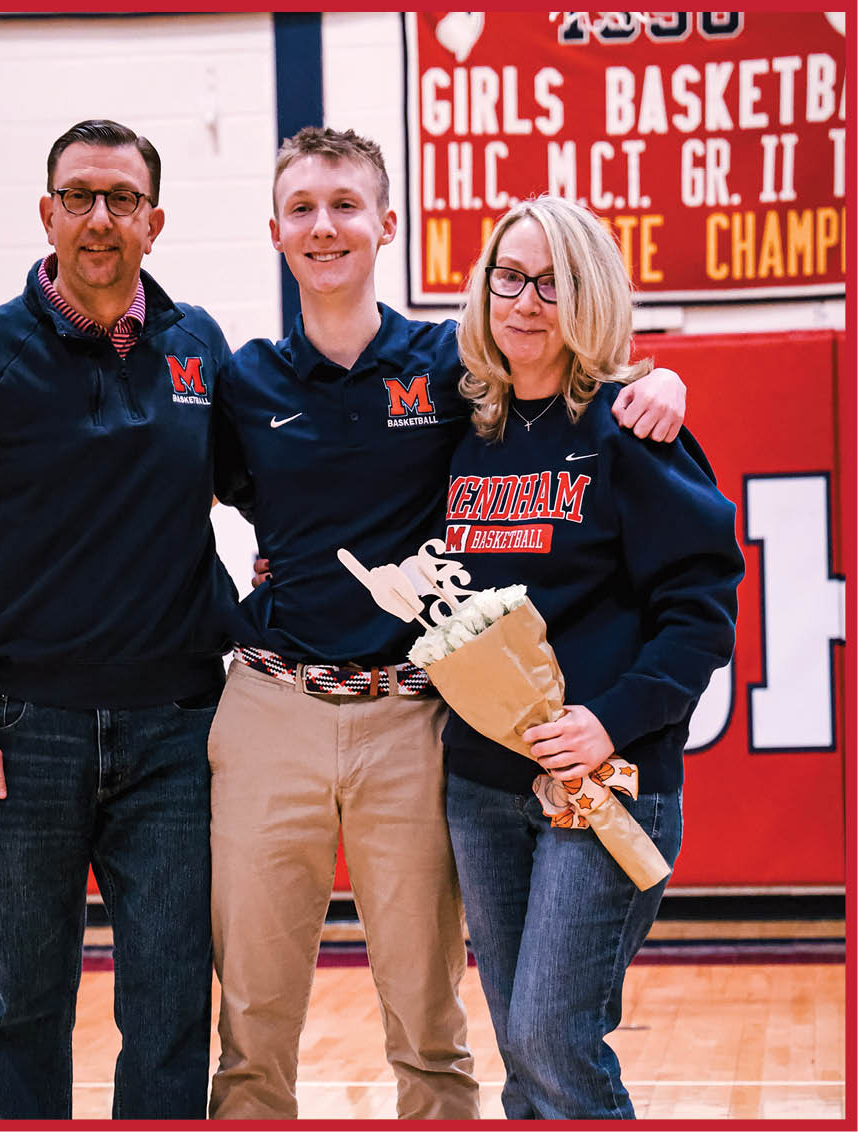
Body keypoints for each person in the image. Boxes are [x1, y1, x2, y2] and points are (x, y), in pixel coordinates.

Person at [208, 126, 688, 1121]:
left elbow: (578, 388)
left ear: (388, 223)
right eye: (302, 207)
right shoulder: (241, 381)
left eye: (346, 204)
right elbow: (170, 505)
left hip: (413, 717)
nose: (324, 225)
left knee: (438, 1022)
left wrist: (663, 380)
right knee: (251, 1022)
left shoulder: (454, 364)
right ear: (274, 230)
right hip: (271, 706)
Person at [0, 120, 236, 1120]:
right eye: (79, 196)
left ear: (154, 222)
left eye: (122, 199)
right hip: (17, 733)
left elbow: (280, 482)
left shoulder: (198, 348)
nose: (100, 218)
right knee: (25, 1006)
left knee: (173, 1003)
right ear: (46, 212)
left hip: (176, 733)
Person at [443, 194, 743, 1118]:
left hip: (606, 782)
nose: (527, 301)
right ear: (485, 287)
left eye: (554, 282)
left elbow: (700, 617)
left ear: (591, 296)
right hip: (482, 788)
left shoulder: (633, 429)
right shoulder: (466, 431)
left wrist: (608, 719)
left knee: (549, 1035)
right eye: (510, 277)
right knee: (523, 1048)